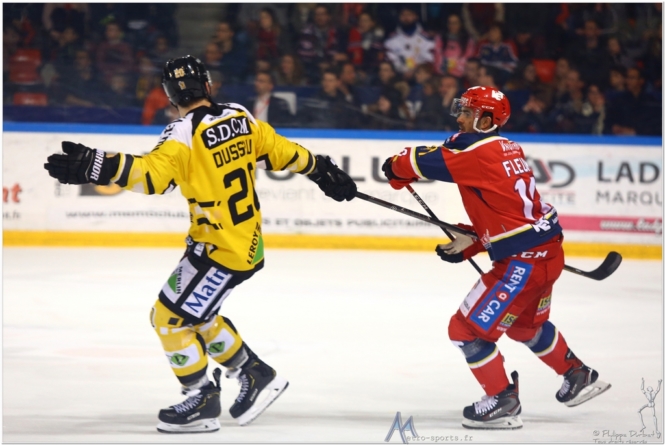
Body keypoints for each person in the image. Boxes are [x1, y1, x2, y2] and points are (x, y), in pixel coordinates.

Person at [43, 55, 357, 434]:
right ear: (207, 86)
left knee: (169, 318)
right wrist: (320, 169)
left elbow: (151, 177)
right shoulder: (240, 116)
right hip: (239, 242)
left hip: (220, 250)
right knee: (198, 314)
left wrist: (99, 165)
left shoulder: (182, 134)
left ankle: (202, 398)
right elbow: (281, 150)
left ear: (170, 96)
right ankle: (254, 373)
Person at [380, 86, 610, 429]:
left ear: (486, 120)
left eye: (467, 112)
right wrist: (474, 240)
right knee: (526, 326)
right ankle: (577, 374)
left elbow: (406, 162)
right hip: (548, 254)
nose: (460, 118)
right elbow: (506, 209)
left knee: (466, 330)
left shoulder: (474, 150)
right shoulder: (509, 148)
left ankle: (502, 399)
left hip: (521, 263)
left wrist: (396, 171)